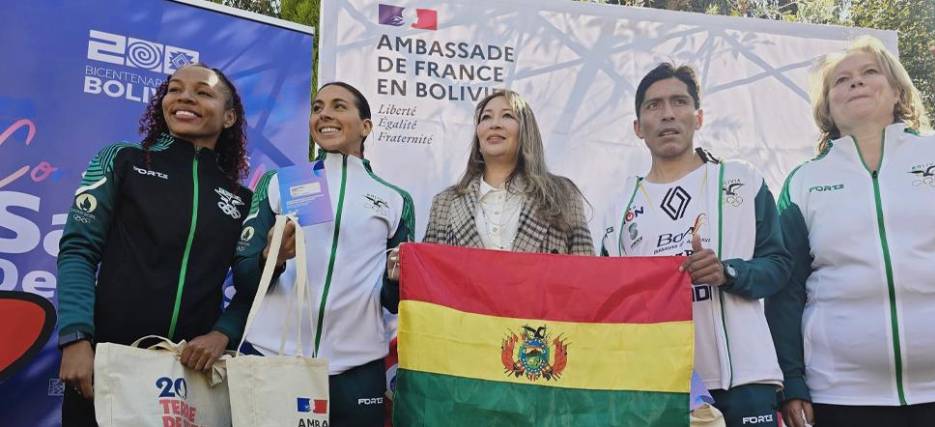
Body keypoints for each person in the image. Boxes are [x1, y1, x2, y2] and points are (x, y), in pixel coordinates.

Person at [767, 35, 935, 427]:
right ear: (826, 107)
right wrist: (792, 380)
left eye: (870, 72)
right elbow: (786, 288)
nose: (856, 82)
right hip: (842, 397)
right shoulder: (803, 181)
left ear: (897, 91)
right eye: (841, 79)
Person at [56, 64, 253, 426]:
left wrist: (223, 333)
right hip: (107, 361)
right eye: (175, 89)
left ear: (229, 117)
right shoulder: (123, 159)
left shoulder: (243, 198)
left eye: (203, 92)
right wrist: (76, 337)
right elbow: (78, 251)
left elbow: (254, 286)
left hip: (188, 372)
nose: (185, 97)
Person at [599, 63, 790, 427]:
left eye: (679, 102)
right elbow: (612, 303)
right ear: (638, 127)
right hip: (659, 386)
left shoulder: (741, 180)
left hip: (745, 380)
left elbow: (779, 265)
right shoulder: (617, 207)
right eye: (653, 105)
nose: (668, 113)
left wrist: (728, 272)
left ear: (698, 117)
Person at [234, 82, 414, 427]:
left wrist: (397, 281)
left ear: (366, 126)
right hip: (276, 356)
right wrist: (271, 259)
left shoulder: (394, 198)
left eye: (338, 106)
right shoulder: (280, 181)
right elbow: (244, 277)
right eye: (317, 107)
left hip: (356, 370)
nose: (325, 114)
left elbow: (394, 301)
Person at [421, 89, 592, 255]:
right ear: (478, 139)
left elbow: (585, 273)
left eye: (507, 115)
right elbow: (426, 273)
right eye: (486, 117)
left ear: (526, 132)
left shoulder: (562, 194)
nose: (495, 124)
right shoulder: (445, 203)